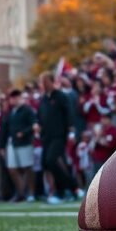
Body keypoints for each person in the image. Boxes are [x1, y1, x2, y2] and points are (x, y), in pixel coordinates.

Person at [37, 73, 75, 205]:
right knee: (47, 163)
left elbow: (69, 113)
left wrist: (71, 131)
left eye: (45, 81)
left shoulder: (60, 96)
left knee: (52, 160)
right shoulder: (43, 99)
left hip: (59, 135)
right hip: (46, 137)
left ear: (52, 82)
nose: (42, 84)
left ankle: (62, 191)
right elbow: (40, 117)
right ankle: (71, 188)